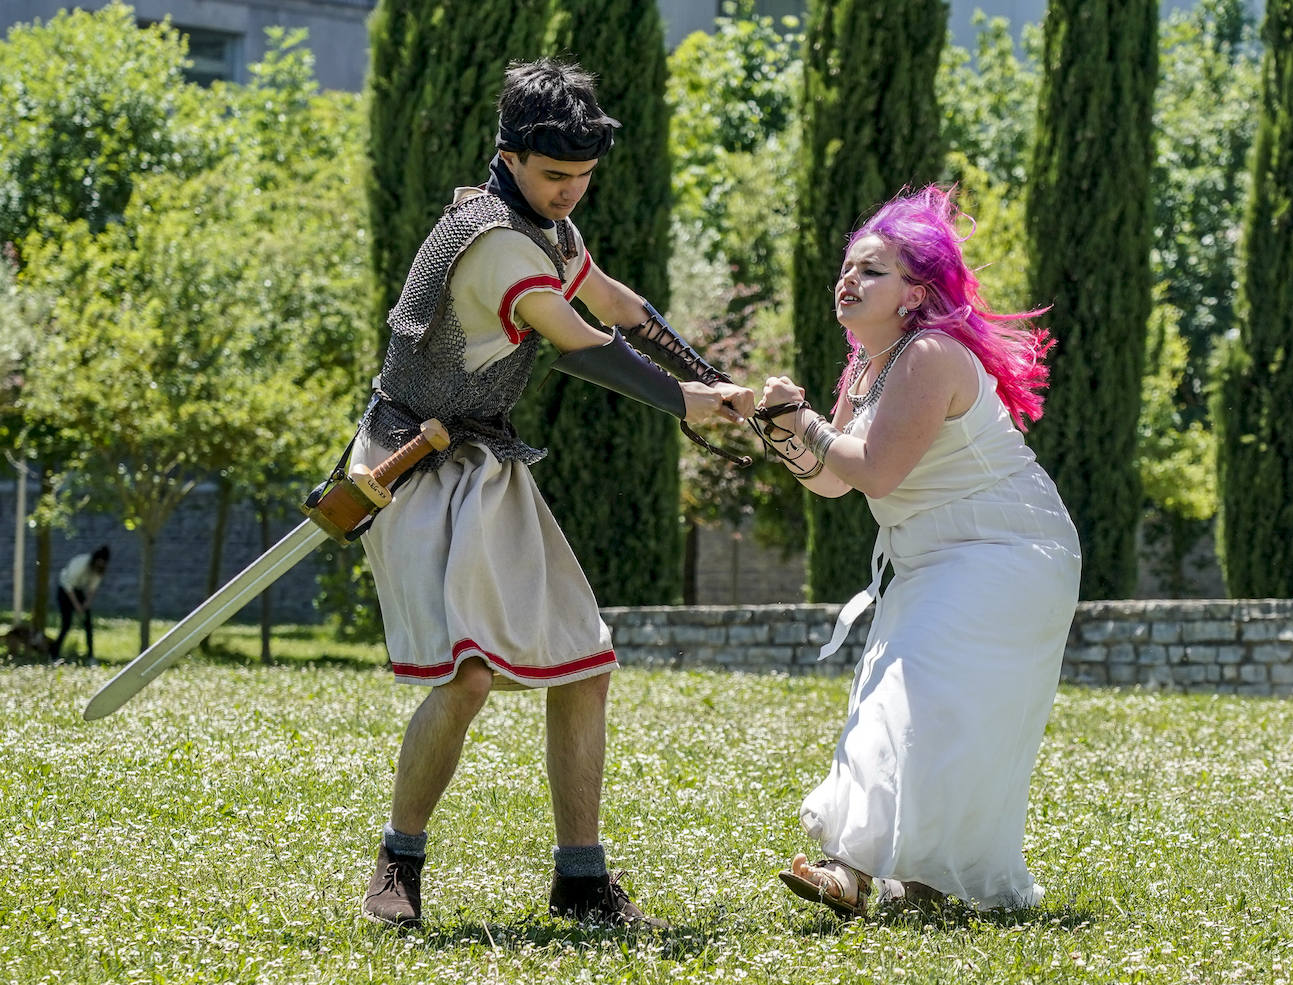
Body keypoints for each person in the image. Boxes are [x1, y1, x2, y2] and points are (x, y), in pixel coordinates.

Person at [352, 57, 754, 930]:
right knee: (468, 675)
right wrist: (688, 401)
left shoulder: (550, 228)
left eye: (584, 175)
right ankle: (398, 864)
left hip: (484, 462)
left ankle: (581, 881)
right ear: (509, 156)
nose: (570, 191)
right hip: (408, 464)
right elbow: (581, 341)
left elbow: (615, 302)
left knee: (583, 661)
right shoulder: (496, 240)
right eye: (554, 174)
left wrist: (710, 374)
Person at [755, 186, 1081, 916]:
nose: (849, 279)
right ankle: (899, 875)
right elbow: (833, 482)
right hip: (931, 558)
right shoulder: (865, 367)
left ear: (916, 293)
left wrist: (801, 421)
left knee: (920, 698)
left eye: (872, 270)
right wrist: (779, 428)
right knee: (895, 700)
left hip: (1009, 551)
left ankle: (861, 869)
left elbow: (875, 471)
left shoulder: (931, 354)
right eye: (848, 267)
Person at [53, 545, 111, 665]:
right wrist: (77, 605)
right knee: (66, 624)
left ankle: (90, 656)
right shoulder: (81, 563)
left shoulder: (98, 570)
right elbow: (68, 585)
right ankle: (54, 654)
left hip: (78, 591)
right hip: (65, 591)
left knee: (88, 625)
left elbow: (92, 589)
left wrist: (86, 604)